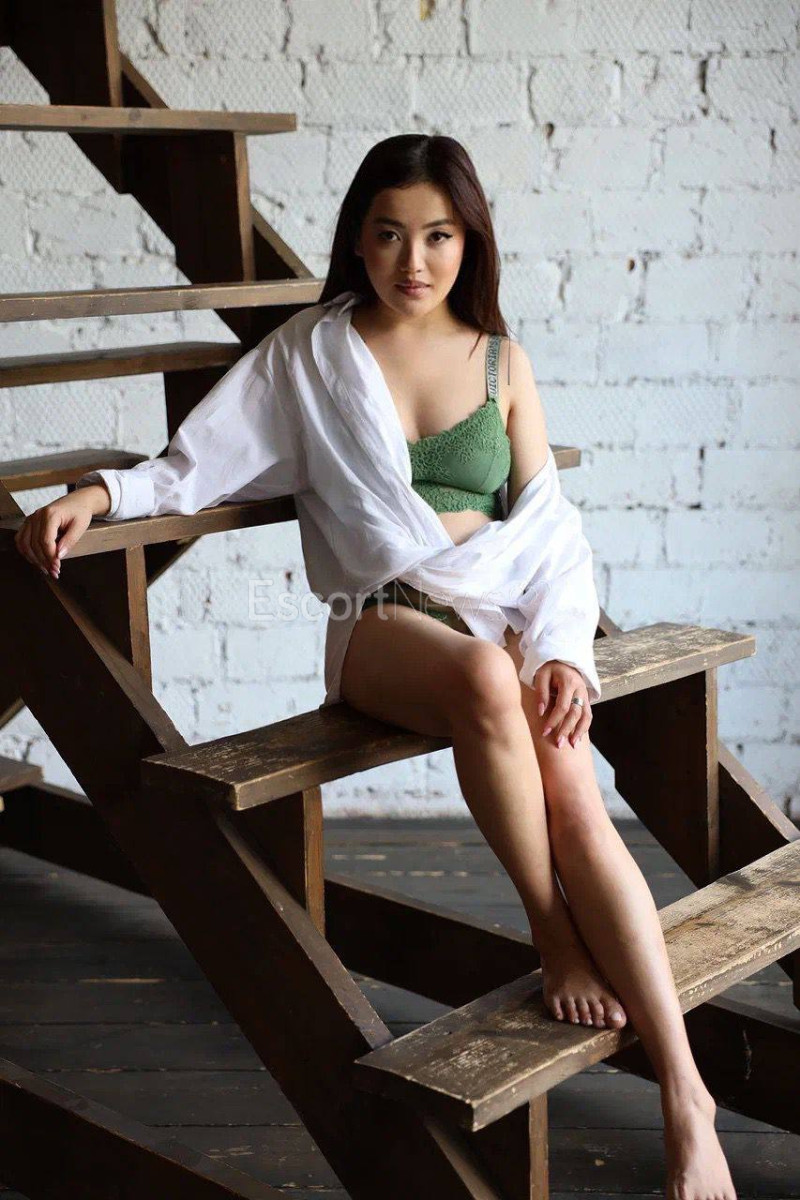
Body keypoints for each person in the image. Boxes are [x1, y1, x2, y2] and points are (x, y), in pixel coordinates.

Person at [15, 133, 735, 1200]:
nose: (414, 260)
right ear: (357, 238)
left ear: (468, 241)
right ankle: (551, 936)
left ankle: (686, 1093)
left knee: (576, 797)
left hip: (502, 615)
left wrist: (561, 655)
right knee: (486, 685)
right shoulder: (311, 353)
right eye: (390, 235)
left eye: (437, 236)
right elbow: (194, 464)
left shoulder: (499, 359)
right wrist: (99, 494)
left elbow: (550, 530)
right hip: (382, 620)